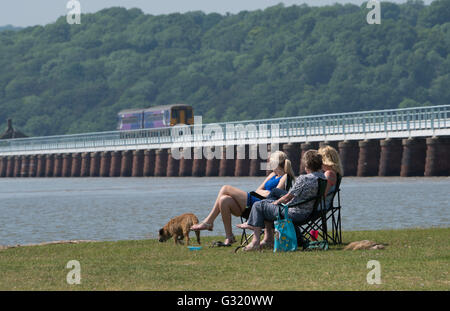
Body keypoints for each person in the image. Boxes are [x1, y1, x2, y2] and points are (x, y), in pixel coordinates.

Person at [190, 150, 296, 246]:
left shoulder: (285, 176)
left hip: (264, 207)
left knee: (225, 188)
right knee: (224, 200)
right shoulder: (272, 175)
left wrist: (265, 192)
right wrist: (265, 192)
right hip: (256, 201)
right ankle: (229, 237)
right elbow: (257, 190)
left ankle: (208, 222)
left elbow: (274, 195)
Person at [236, 150, 325, 251]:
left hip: (293, 213)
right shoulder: (323, 177)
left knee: (258, 205)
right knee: (268, 200)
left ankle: (255, 241)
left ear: (306, 164)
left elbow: (288, 197)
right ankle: (267, 238)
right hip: (308, 212)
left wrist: (276, 202)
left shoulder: (304, 179)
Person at [317, 145, 343, 209]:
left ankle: (288, 219)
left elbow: (322, 195)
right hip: (324, 205)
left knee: (288, 212)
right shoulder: (335, 173)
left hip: (319, 206)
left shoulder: (329, 174)